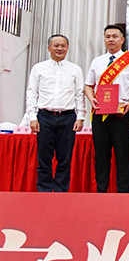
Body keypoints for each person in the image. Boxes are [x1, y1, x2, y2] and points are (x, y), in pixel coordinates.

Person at [85, 25, 129, 193]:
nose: (111, 39)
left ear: (122, 40)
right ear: (104, 39)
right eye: (108, 36)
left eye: (115, 36)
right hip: (100, 113)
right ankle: (101, 192)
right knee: (101, 156)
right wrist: (91, 99)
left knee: (122, 155)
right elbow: (88, 85)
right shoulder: (97, 61)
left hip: (122, 113)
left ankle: (124, 193)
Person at [26, 34, 85, 192]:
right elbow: (31, 93)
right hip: (44, 116)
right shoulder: (38, 68)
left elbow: (79, 94)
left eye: (63, 46)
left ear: (67, 48)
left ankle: (61, 192)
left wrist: (80, 117)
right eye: (56, 45)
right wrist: (32, 117)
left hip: (68, 117)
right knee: (44, 158)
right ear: (49, 48)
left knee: (64, 159)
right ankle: (44, 191)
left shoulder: (75, 69)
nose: (60, 48)